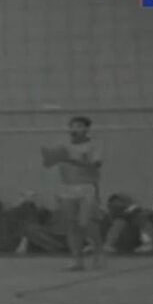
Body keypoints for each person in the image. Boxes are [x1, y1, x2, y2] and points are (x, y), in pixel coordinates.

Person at [42, 116, 103, 271]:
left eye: (79, 126)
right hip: (67, 188)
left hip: (87, 187)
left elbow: (95, 166)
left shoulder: (93, 146)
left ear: (86, 129)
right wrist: (48, 156)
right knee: (72, 225)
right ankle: (77, 259)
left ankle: (98, 255)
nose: (74, 129)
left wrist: (71, 160)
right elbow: (48, 163)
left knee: (87, 223)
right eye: (72, 126)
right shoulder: (63, 146)